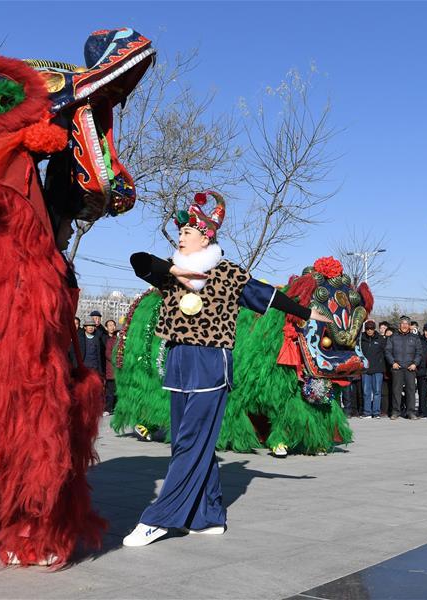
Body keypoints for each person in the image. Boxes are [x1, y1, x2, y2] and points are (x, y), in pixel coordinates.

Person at [121, 191, 328, 546]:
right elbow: (138, 260)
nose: (181, 236)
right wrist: (174, 270)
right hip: (178, 362)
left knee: (190, 441)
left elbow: (269, 296)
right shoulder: (171, 273)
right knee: (189, 443)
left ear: (206, 235)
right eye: (181, 232)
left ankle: (160, 518)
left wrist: (308, 313)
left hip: (210, 363)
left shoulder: (228, 273)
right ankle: (208, 515)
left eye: (187, 232)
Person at [385, 316, 422, 420]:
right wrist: (393, 363)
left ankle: (411, 412)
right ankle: (396, 411)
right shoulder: (393, 337)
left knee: (411, 391)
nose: (404, 325)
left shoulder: (415, 338)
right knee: (396, 391)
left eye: (406, 324)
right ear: (399, 325)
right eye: (403, 323)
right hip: (397, 368)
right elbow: (387, 351)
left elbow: (419, 353)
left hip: (410, 368)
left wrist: (415, 363)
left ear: (409, 326)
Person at [360, 320, 386, 419]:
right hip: (365, 370)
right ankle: (367, 412)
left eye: (371, 329)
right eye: (367, 329)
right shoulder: (361, 339)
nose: (369, 331)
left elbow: (385, 352)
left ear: (374, 329)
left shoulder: (380, 339)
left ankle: (376, 412)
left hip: (378, 369)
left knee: (377, 391)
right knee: (366, 392)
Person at [104, 319, 119, 415]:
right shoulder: (110, 341)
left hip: (120, 372)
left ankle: (117, 409)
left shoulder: (123, 342)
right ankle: (108, 409)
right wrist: (117, 360)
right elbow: (108, 354)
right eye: (110, 325)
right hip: (111, 371)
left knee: (118, 392)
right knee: (110, 392)